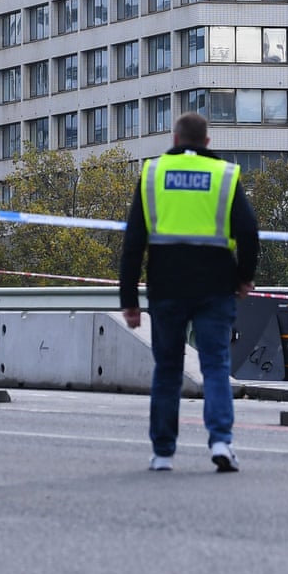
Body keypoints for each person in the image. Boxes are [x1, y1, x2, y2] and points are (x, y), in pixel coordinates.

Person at [120, 111, 259, 473]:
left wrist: (129, 301)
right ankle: (221, 442)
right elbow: (249, 231)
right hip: (215, 287)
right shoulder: (225, 175)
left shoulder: (153, 174)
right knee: (216, 366)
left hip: (166, 287)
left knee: (167, 369)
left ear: (176, 139)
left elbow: (133, 241)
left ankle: (163, 452)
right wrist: (244, 277)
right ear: (207, 141)